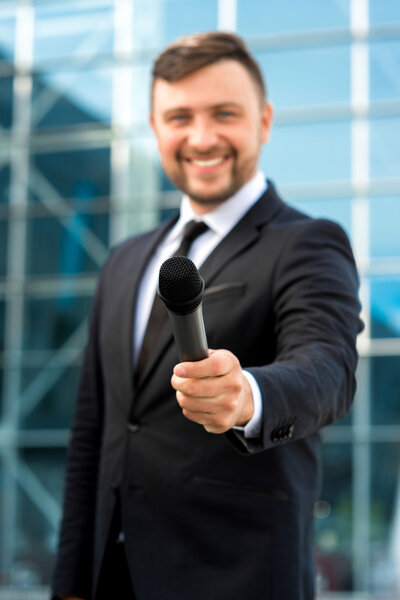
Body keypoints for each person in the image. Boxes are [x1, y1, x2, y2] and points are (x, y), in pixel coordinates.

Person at [52, 32, 363, 600]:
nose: (201, 137)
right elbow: (94, 434)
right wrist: (71, 582)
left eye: (224, 113)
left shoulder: (307, 243)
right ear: (154, 125)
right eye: (179, 116)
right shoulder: (124, 261)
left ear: (263, 121)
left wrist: (247, 395)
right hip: (109, 579)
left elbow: (329, 367)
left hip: (234, 576)